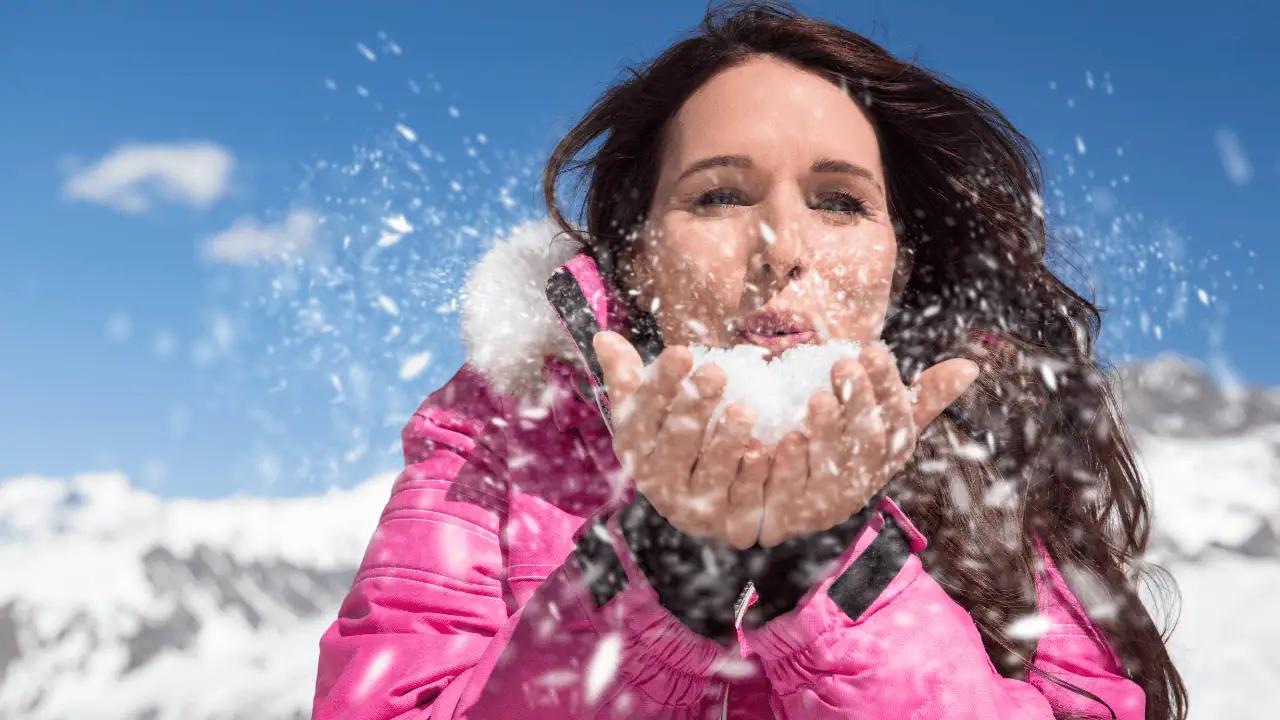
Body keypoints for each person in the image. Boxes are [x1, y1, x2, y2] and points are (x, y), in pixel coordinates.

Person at [310, 3, 1186, 718]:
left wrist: (834, 567)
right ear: (637, 247)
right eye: (721, 195)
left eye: (840, 202)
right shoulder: (503, 437)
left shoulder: (976, 446)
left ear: (900, 260)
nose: (780, 247)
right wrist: (666, 567)